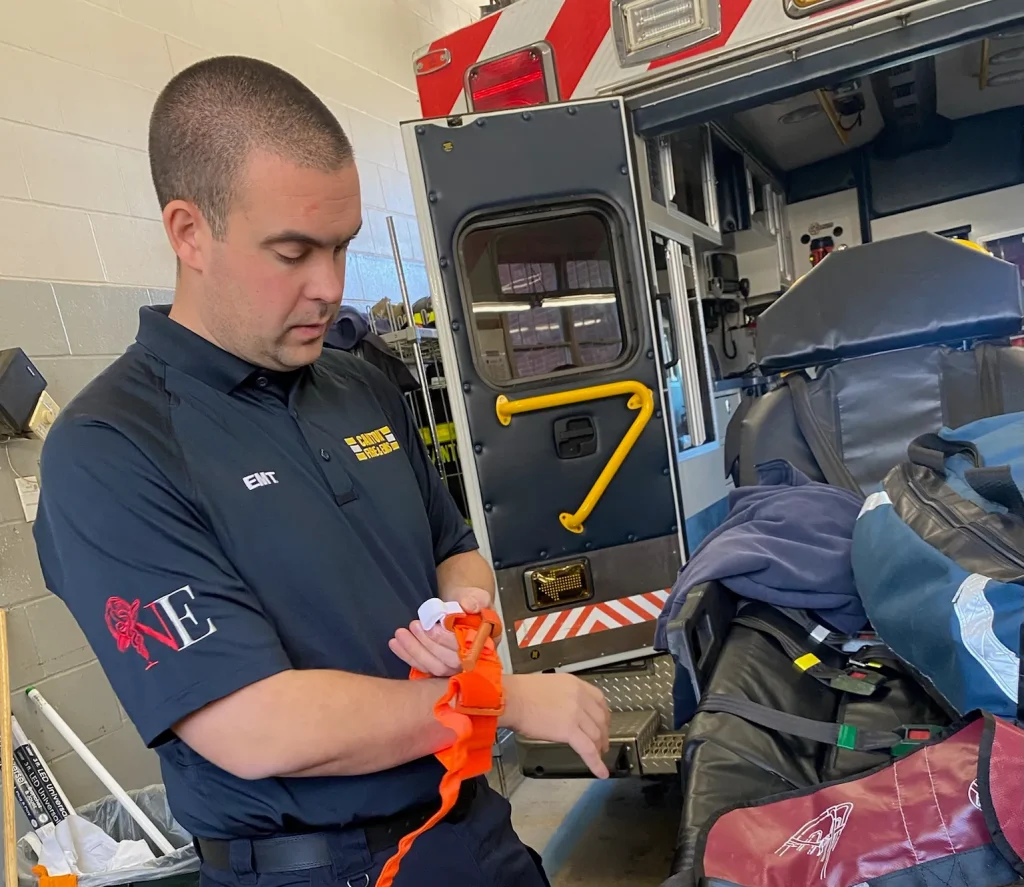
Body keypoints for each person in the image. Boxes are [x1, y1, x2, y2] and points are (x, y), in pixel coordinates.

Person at [32, 56, 611, 887]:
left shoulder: (358, 381)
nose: (329, 286)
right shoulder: (111, 449)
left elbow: (454, 544)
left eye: (341, 247)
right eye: (293, 251)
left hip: (467, 825)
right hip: (316, 866)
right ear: (190, 232)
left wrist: (464, 614)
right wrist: (504, 699)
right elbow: (256, 723)